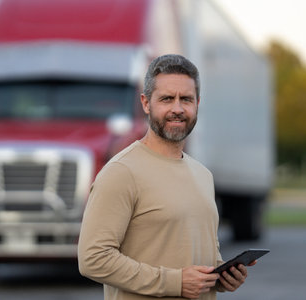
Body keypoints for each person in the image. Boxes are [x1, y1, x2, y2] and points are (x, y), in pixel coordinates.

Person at [78, 54, 254, 300]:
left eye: (186, 99)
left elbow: (192, 255)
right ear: (146, 103)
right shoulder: (121, 172)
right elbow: (93, 259)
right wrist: (175, 282)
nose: (178, 109)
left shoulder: (203, 175)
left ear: (197, 103)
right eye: (167, 99)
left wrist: (220, 276)